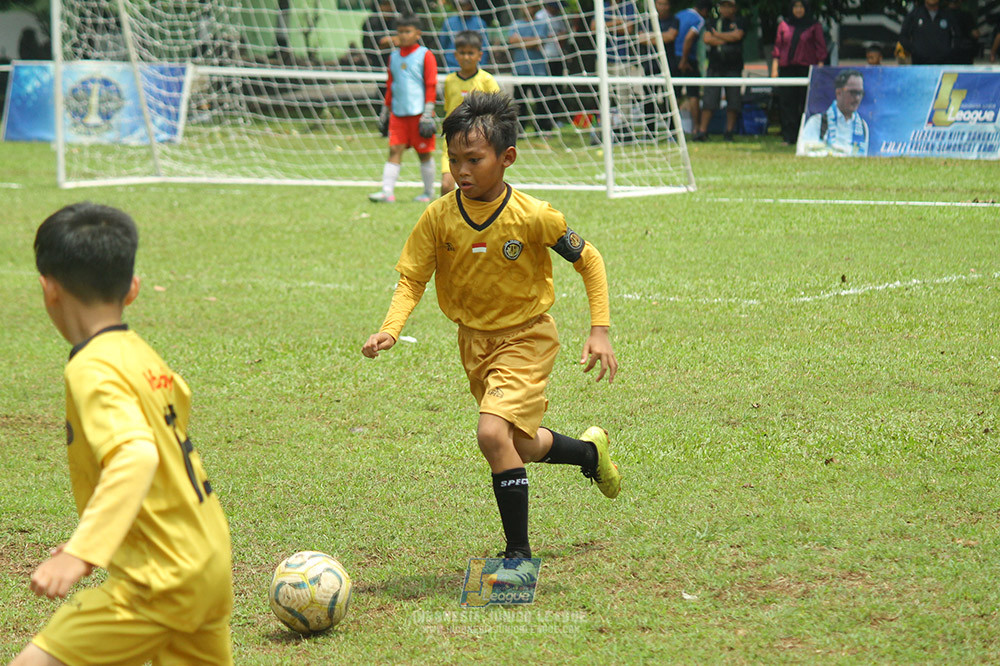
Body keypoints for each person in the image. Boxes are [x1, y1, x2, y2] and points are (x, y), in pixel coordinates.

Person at [361, 92, 621, 564]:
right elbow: (413, 279)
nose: (461, 171)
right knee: (518, 442)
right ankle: (589, 454)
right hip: (474, 344)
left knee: (489, 434)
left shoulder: (535, 216)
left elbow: (590, 261)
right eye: (454, 159)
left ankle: (517, 557)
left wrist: (598, 328)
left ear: (507, 158)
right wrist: (390, 329)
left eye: (474, 160)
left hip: (527, 337)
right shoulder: (438, 217)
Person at [12, 203, 233, 666]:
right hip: (207, 557)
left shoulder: (91, 366)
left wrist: (81, 552)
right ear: (132, 290)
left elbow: (137, 454)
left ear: (48, 290)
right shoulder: (143, 355)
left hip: (159, 577)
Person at [370, 15, 439, 204]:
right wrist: (385, 112)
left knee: (423, 153)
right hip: (398, 115)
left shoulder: (425, 55)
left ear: (418, 34)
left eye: (407, 31)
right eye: (400, 32)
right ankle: (387, 192)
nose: (403, 35)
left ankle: (428, 192)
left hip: (419, 115)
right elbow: (391, 85)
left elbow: (431, 85)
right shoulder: (393, 57)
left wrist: (428, 114)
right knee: (394, 150)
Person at [440, 30, 500, 196]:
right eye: (462, 53)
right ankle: (443, 220)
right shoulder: (449, 80)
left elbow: (496, 112)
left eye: (470, 53)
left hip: (478, 141)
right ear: (456, 55)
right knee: (446, 186)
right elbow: (448, 109)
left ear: (479, 55)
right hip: (453, 141)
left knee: (478, 188)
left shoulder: (487, 80)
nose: (466, 57)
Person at [771, 0, 827, 146]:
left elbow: (821, 49)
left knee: (806, 102)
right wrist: (775, 69)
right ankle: (789, 136)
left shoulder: (814, 26)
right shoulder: (784, 25)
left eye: (801, 6)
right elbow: (778, 48)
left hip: (807, 68)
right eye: (795, 6)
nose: (798, 10)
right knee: (787, 102)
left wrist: (819, 71)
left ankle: (807, 135)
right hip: (787, 69)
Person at [699, 0, 746, 142]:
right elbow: (707, 38)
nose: (725, 9)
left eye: (728, 5)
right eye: (722, 5)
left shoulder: (741, 21)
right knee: (709, 100)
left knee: (733, 100)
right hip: (715, 67)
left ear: (734, 7)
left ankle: (729, 132)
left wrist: (717, 35)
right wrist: (728, 38)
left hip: (733, 67)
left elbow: (738, 36)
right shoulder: (712, 21)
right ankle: (702, 132)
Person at [799, 68, 869, 157]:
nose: (857, 98)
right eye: (853, 92)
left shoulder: (863, 127)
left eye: (860, 93)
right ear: (839, 93)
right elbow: (804, 154)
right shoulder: (817, 123)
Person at [508, 3, 554, 135]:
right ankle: (519, 131)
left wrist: (521, 41)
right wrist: (531, 41)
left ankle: (543, 130)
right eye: (527, 6)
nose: (529, 9)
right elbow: (512, 40)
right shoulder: (515, 23)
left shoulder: (542, 24)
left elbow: (540, 42)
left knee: (541, 101)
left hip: (537, 69)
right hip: (520, 69)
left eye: (533, 6)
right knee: (519, 102)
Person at [639, 0, 679, 139]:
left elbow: (671, 36)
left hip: (669, 65)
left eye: (666, 4)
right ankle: (649, 132)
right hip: (650, 65)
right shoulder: (646, 20)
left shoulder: (674, 20)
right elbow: (641, 38)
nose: (663, 7)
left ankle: (672, 132)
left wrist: (651, 36)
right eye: (660, 3)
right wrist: (662, 36)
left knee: (670, 99)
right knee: (649, 99)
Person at [674, 0, 711, 141]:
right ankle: (696, 127)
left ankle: (673, 128)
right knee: (693, 93)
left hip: (672, 57)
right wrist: (684, 59)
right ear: (705, 11)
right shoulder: (699, 19)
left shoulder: (679, 14)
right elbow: (689, 37)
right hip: (687, 58)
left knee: (675, 93)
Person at [898, 0, 960, 65]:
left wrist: (949, 52)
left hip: (944, 65)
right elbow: (903, 37)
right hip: (920, 65)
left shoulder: (948, 15)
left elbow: (958, 36)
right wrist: (915, 51)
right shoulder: (914, 15)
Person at [439, 0, 490, 74]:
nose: (462, 7)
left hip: (475, 68)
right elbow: (443, 45)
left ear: (470, 5)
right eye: (459, 5)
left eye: (464, 4)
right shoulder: (449, 23)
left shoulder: (480, 23)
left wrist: (482, 65)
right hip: (452, 67)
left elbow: (484, 47)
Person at [361, 0, 398, 70]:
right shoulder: (372, 21)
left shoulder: (395, 21)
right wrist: (399, 39)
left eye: (391, 5)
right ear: (379, 6)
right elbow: (380, 43)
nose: (390, 7)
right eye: (386, 4)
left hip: (391, 61)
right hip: (373, 60)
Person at [947, 0, 980, 64]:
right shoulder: (966, 15)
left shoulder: (942, 15)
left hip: (946, 52)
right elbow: (975, 34)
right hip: (964, 52)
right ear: (960, 1)